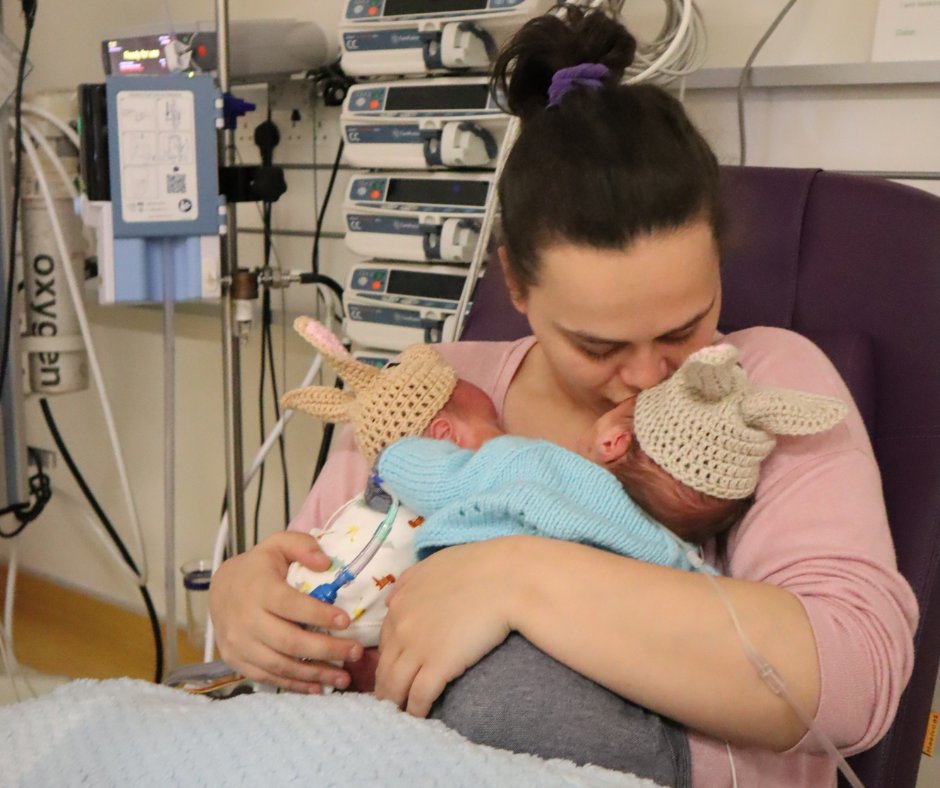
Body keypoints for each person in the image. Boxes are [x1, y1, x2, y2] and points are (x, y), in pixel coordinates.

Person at [208, 4, 918, 785]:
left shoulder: (763, 384)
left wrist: (518, 576)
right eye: (599, 346)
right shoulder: (435, 390)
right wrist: (252, 605)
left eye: (685, 326)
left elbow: (854, 684)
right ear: (513, 282)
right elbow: (326, 578)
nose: (649, 376)